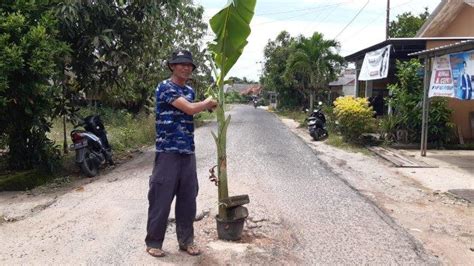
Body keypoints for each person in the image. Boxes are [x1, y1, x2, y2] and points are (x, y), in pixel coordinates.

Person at [145, 50, 217, 257]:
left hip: (187, 151)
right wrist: (207, 103)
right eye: (181, 64)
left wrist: (207, 105)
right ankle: (154, 242)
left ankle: (186, 241)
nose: (186, 67)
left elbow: (193, 107)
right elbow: (189, 109)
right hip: (167, 151)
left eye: (189, 65)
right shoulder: (165, 87)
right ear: (172, 66)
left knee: (188, 198)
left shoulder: (190, 91)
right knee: (161, 197)